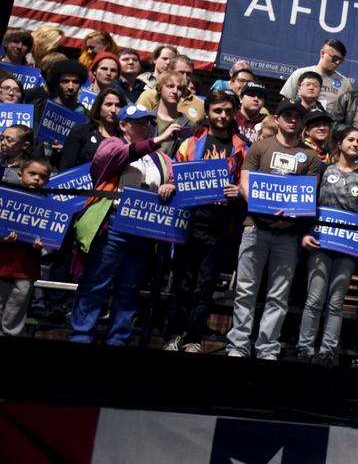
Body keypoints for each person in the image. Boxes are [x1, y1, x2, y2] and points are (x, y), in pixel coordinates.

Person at [70, 105, 179, 345]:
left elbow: (174, 177)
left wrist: (170, 185)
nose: (144, 126)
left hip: (143, 230)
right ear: (122, 125)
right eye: (137, 122)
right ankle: (80, 336)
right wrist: (157, 139)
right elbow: (115, 159)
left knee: (129, 289)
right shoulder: (111, 145)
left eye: (146, 122)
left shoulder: (162, 158)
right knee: (96, 284)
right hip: (114, 225)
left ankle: (118, 340)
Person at [225, 100, 321, 359]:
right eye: (287, 116)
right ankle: (238, 345)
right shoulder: (260, 146)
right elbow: (245, 184)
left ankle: (267, 347)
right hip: (255, 226)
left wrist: (290, 219)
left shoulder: (311, 156)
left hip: (288, 234)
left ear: (302, 123)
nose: (292, 120)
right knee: (246, 289)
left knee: (278, 295)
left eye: (297, 117)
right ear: (276, 119)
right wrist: (264, 210)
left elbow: (308, 196)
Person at [164, 91, 249, 353]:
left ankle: (193, 338)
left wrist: (238, 191)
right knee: (182, 283)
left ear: (233, 112)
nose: (222, 116)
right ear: (208, 112)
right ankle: (173, 335)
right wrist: (169, 185)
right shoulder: (190, 142)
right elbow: (175, 173)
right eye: (217, 111)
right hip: (189, 220)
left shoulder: (242, 147)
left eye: (227, 111)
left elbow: (245, 184)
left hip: (221, 225)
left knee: (205, 285)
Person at [296, 127, 358, 367]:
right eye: (350, 140)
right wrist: (304, 234)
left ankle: (328, 351)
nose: (355, 144)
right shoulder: (323, 169)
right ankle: (305, 349)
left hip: (348, 247)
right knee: (315, 298)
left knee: (336, 301)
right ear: (339, 144)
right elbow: (307, 203)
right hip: (320, 242)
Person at [0, 159, 50, 336]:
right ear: (20, 174)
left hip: (27, 268)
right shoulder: (5, 196)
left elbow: (51, 236)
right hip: (2, 263)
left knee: (16, 310)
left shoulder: (49, 205)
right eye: (32, 174)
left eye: (43, 177)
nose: (37, 179)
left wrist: (41, 247)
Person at [61, 88, 127, 169]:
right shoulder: (81, 131)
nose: (113, 110)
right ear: (99, 107)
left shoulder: (125, 137)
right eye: (108, 104)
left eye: (118, 105)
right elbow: (66, 167)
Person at [279, 38, 352, 108]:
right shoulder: (300, 74)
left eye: (340, 60)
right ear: (322, 53)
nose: (337, 63)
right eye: (335, 58)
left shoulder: (345, 83)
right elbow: (284, 103)